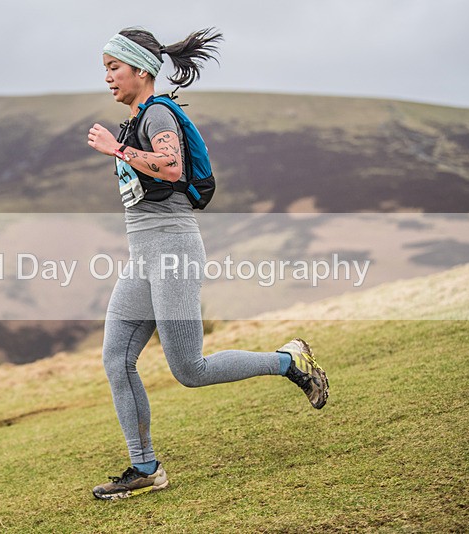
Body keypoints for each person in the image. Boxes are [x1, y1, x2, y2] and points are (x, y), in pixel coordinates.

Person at [86, 27, 329, 501]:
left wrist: (117, 150)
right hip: (144, 256)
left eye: (114, 68)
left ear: (141, 68)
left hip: (173, 251)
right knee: (117, 360)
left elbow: (172, 168)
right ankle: (145, 468)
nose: (109, 78)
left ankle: (289, 361)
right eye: (105, 70)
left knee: (190, 369)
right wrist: (121, 145)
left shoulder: (156, 114)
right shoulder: (135, 118)